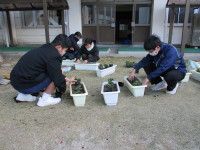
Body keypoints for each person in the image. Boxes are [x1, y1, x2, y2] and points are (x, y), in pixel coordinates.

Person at [10, 34, 76, 107]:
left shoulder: (46, 48)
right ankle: (45, 99)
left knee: (53, 71)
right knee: (53, 75)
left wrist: (66, 78)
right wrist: (63, 85)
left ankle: (23, 96)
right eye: (65, 50)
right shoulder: (53, 56)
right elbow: (56, 77)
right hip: (24, 85)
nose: (65, 52)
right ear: (59, 47)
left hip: (15, 81)